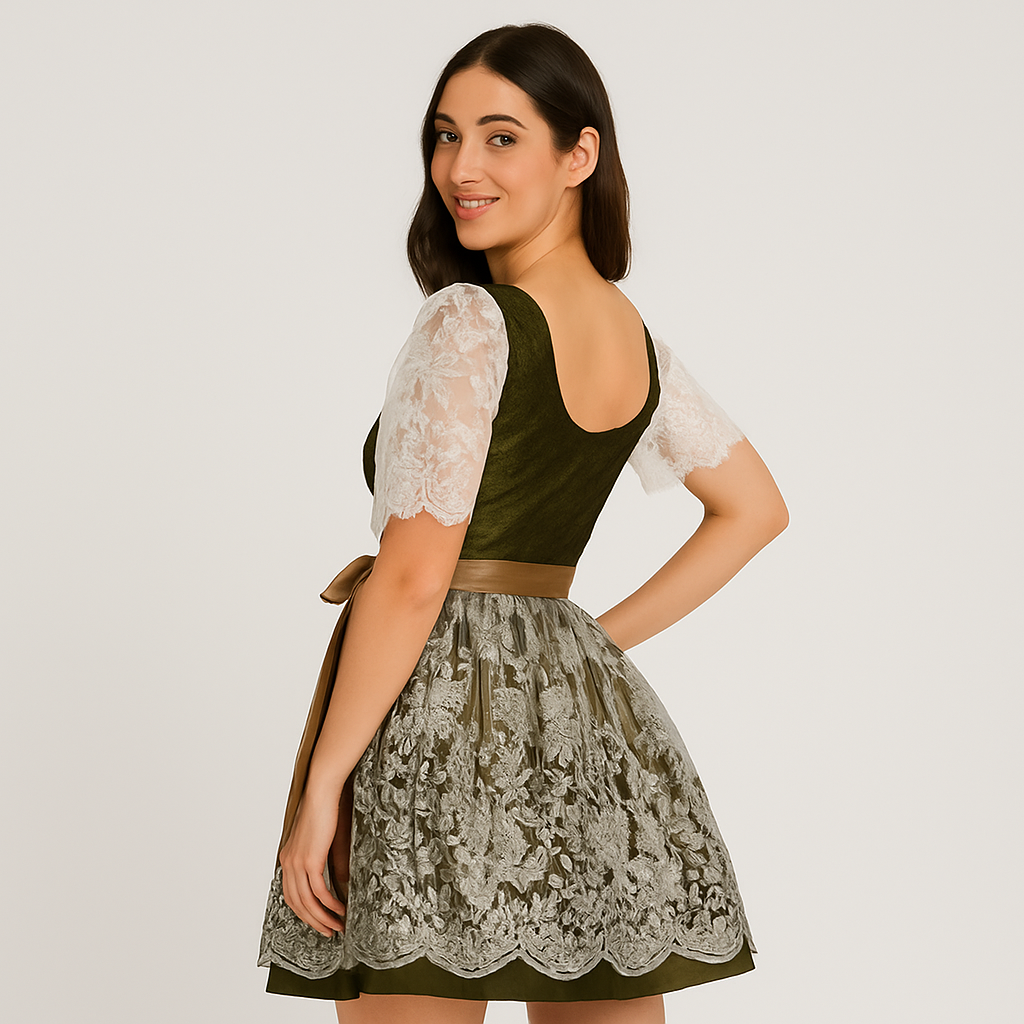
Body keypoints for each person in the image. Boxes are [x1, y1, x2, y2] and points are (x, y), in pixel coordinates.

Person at [257, 22, 788, 1024]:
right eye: (445, 135)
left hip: (437, 718)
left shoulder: (470, 319)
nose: (461, 167)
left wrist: (324, 783)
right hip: (576, 724)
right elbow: (754, 508)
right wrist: (583, 645)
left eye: (501, 137)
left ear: (579, 154)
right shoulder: (634, 341)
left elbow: (415, 576)